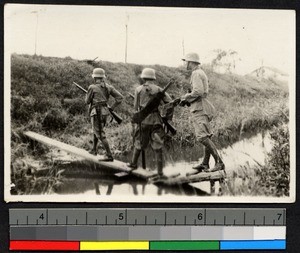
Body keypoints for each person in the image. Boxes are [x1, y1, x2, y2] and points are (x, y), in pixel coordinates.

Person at [181, 53, 225, 172]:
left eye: (187, 62)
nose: (186, 64)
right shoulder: (200, 72)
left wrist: (185, 97)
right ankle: (205, 164)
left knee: (202, 137)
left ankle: (219, 162)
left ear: (191, 62)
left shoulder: (196, 73)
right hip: (201, 106)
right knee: (205, 135)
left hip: (200, 108)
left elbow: (198, 91)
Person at [127, 68, 173, 178]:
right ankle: (160, 172)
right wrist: (167, 117)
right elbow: (170, 103)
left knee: (139, 142)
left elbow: (135, 107)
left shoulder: (138, 89)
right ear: (153, 78)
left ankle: (133, 164)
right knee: (158, 146)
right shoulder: (159, 90)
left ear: (143, 78)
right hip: (156, 120)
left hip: (143, 121)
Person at [85, 68, 123, 162]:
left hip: (97, 112)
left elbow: (87, 101)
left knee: (100, 134)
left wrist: (88, 95)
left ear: (95, 77)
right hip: (105, 112)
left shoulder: (92, 87)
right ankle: (94, 150)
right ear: (103, 77)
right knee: (97, 130)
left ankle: (109, 155)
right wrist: (112, 108)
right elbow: (120, 98)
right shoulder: (109, 87)